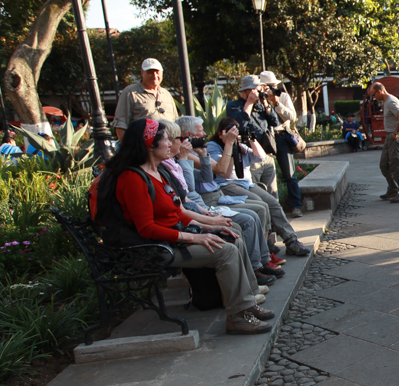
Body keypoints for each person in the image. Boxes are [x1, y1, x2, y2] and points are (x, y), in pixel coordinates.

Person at [108, 119, 274, 334]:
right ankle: (237, 317)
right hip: (157, 247)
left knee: (232, 236)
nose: (171, 144)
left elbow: (177, 212)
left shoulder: (158, 172)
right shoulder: (133, 178)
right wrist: (196, 237)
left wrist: (210, 226)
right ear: (150, 144)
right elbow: (147, 229)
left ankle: (248, 304)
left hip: (175, 237)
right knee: (226, 252)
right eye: (166, 140)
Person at [174, 115, 283, 287]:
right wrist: (228, 145)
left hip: (213, 198)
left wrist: (205, 155)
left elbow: (207, 176)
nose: (204, 133)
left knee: (261, 208)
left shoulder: (195, 152)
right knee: (248, 217)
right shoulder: (183, 156)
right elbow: (219, 173)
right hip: (207, 202)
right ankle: (253, 271)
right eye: (200, 130)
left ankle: (262, 261)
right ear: (188, 135)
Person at [199, 116, 311, 257]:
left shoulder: (240, 144)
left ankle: (291, 241)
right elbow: (222, 170)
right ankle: (265, 248)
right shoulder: (213, 146)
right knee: (261, 204)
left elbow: (260, 157)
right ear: (220, 133)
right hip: (228, 185)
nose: (234, 134)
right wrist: (229, 143)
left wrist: (250, 138)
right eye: (229, 131)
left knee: (272, 203)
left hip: (246, 184)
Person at [258, 71, 304, 218]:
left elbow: (292, 117)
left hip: (282, 136)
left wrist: (277, 103)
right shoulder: (257, 98)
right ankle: (272, 209)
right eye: (270, 86)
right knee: (268, 175)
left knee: (289, 173)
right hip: (266, 139)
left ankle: (295, 206)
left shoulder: (282, 96)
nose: (274, 88)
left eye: (274, 85)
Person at [227, 75, 279, 199]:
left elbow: (275, 122)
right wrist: (249, 103)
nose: (257, 92)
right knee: (256, 193)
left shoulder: (260, 105)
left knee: (272, 194)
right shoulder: (233, 106)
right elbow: (238, 125)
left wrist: (266, 104)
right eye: (255, 89)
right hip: (250, 157)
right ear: (246, 91)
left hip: (267, 154)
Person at [114, 59, 179, 141]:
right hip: (143, 147)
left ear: (162, 73)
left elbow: (176, 122)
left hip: (168, 148)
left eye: (157, 72)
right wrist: (129, 149)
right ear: (142, 73)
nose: (154, 75)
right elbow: (121, 123)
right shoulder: (130, 92)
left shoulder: (166, 94)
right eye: (150, 72)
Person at [371, 82, 399, 203]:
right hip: (390, 135)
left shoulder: (391, 101)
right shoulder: (387, 101)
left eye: (373, 95)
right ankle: (393, 189)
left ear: (379, 92)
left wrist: (395, 132)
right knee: (384, 164)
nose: (373, 98)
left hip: (395, 135)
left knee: (394, 164)